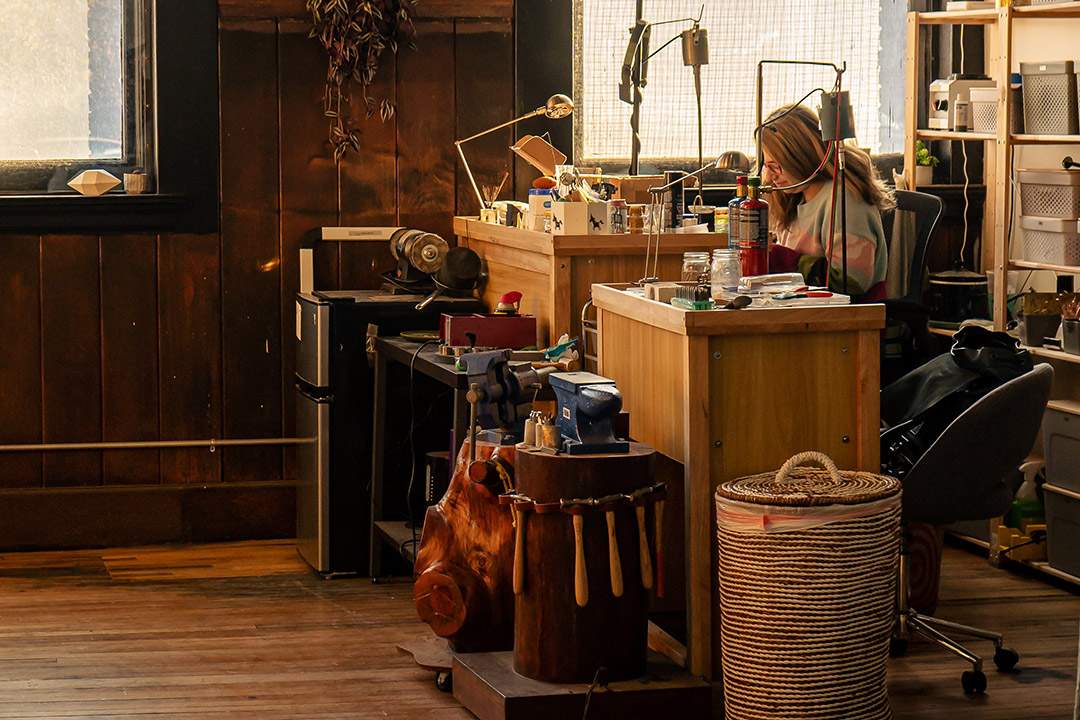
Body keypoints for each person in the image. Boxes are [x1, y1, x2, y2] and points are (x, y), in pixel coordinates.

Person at [759, 103, 894, 302]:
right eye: (765, 166)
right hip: (806, 310)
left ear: (800, 156)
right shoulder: (794, 198)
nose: (770, 177)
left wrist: (782, 260)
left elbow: (852, 283)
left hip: (848, 320)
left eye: (775, 166)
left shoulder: (844, 200)